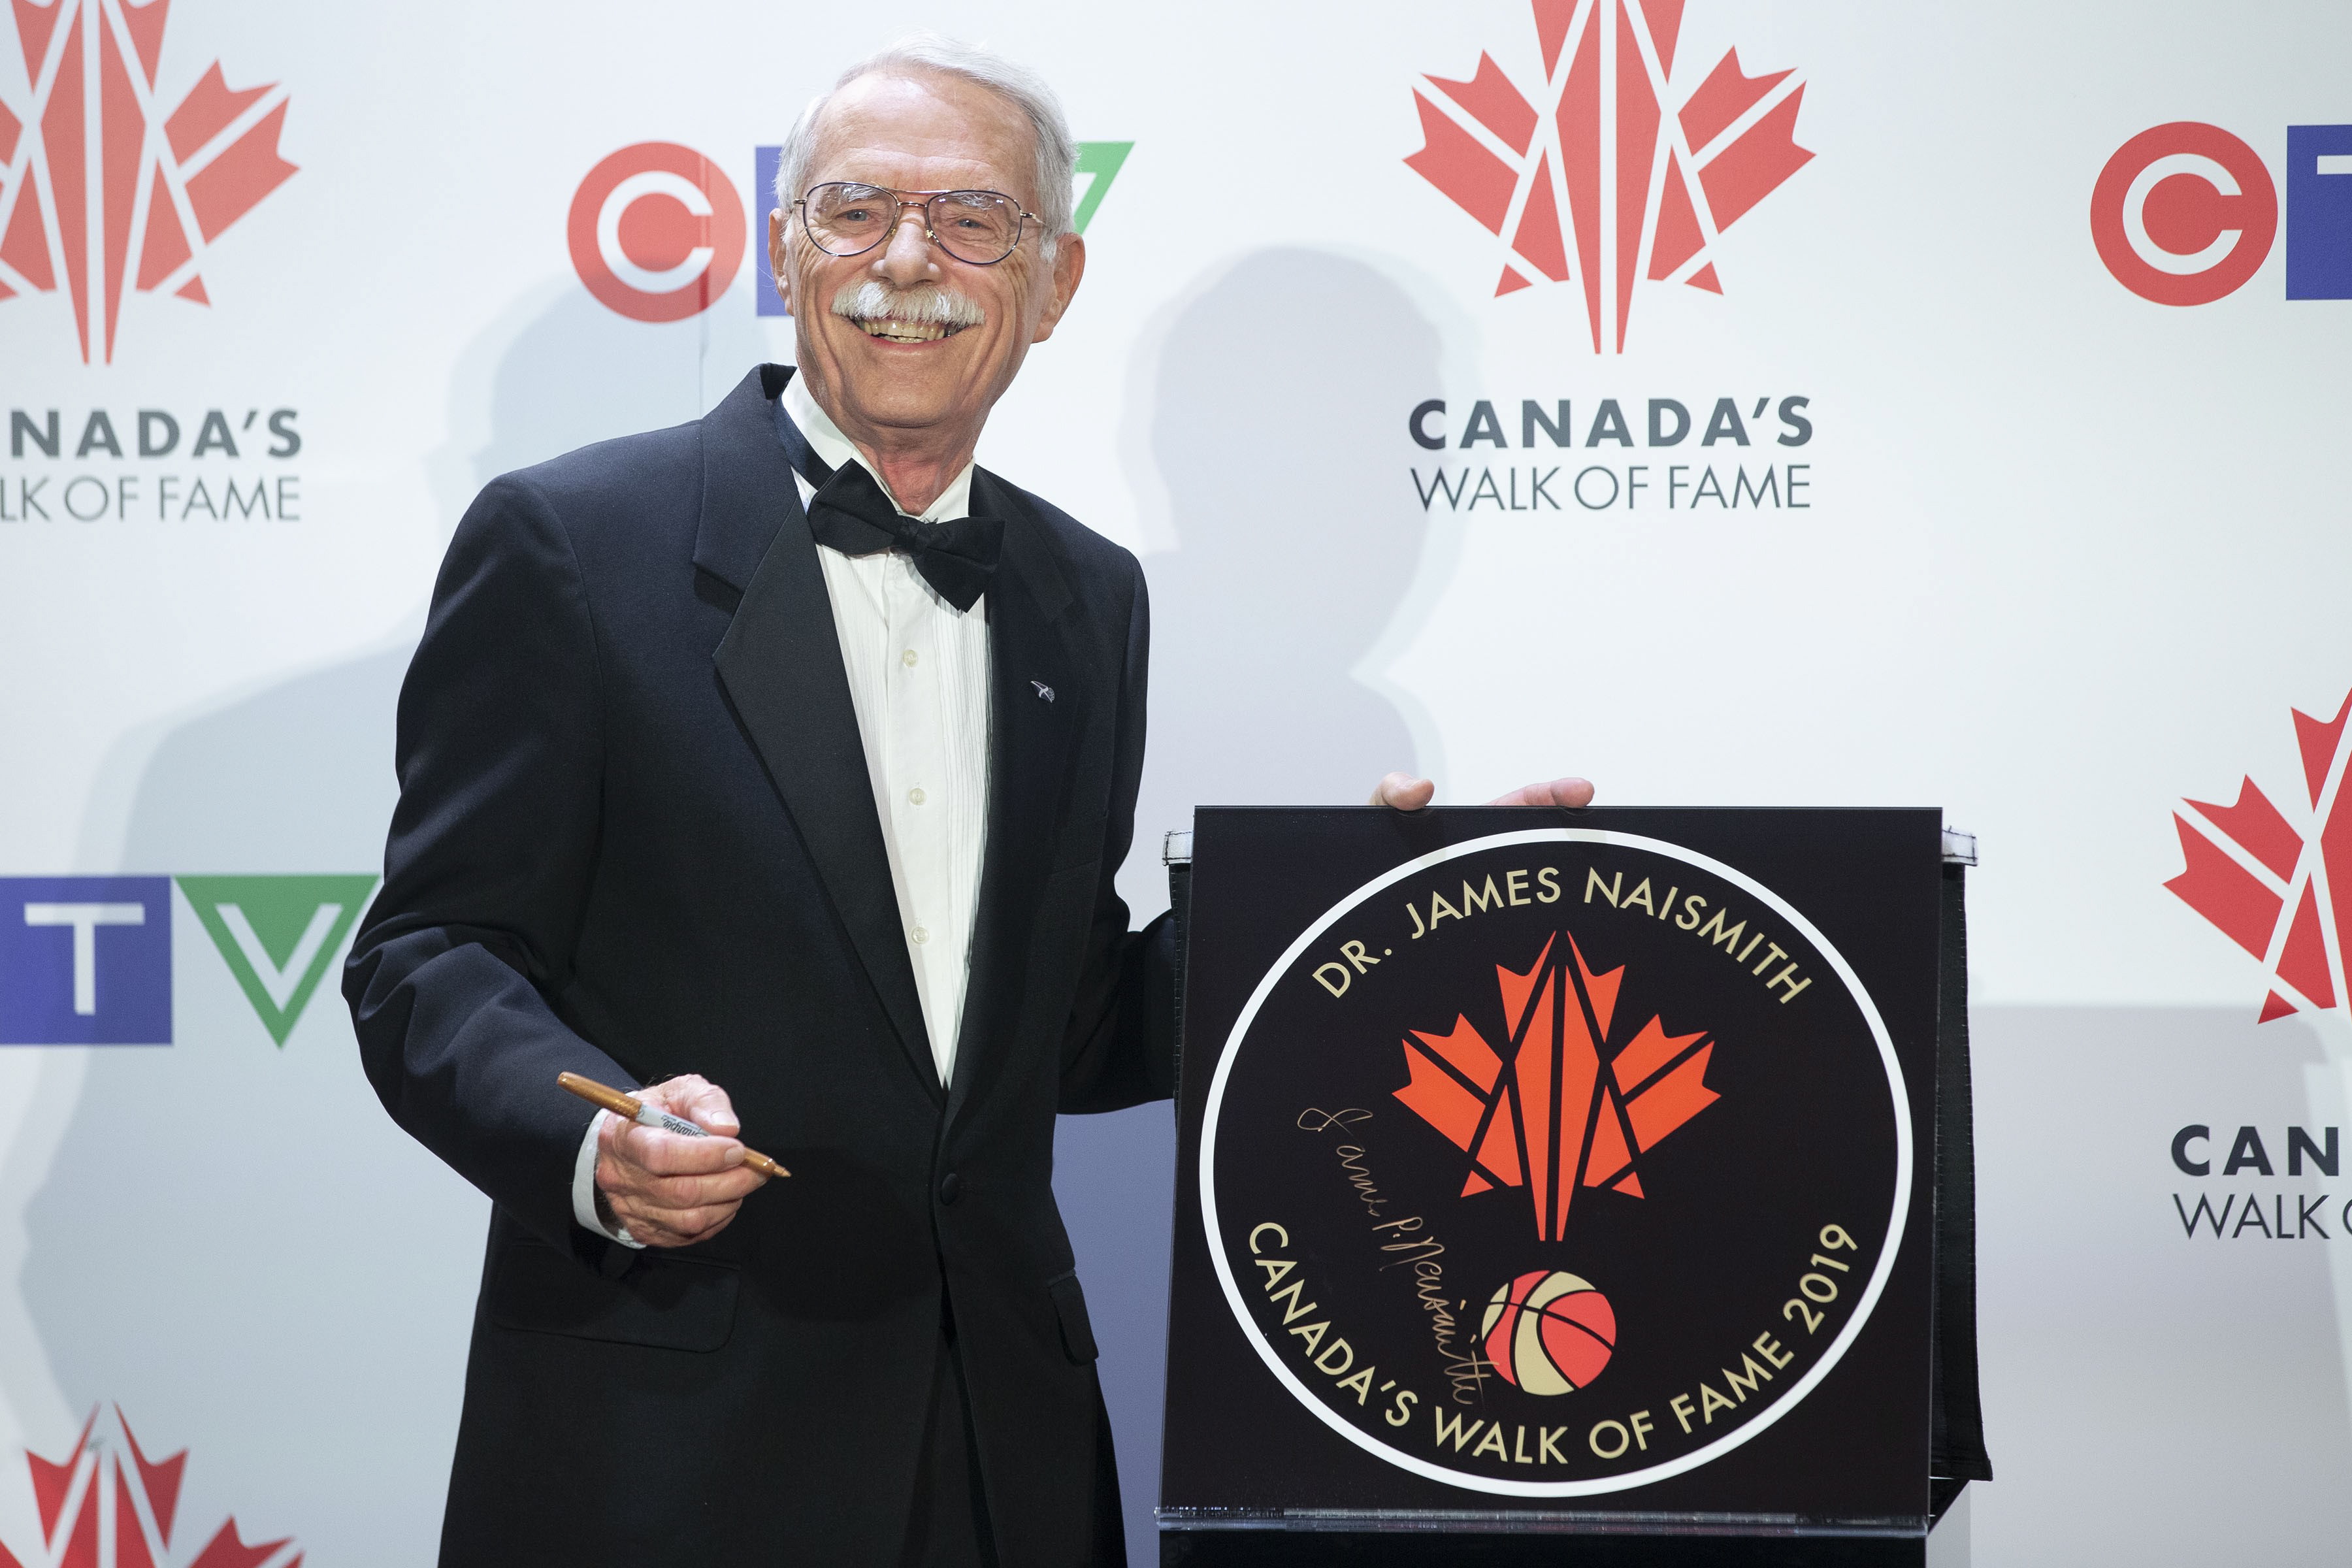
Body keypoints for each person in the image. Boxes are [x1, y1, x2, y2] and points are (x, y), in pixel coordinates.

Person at [344, 35, 1590, 1568]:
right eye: (855, 212)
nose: (905, 264)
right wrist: (592, 1147)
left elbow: (1057, 1019)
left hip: (1006, 1450)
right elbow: (432, 956)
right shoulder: (570, 544)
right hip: (670, 1448)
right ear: (786, 244)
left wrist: (1369, 921)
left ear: (1054, 284)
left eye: (972, 220)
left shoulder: (1087, 596)